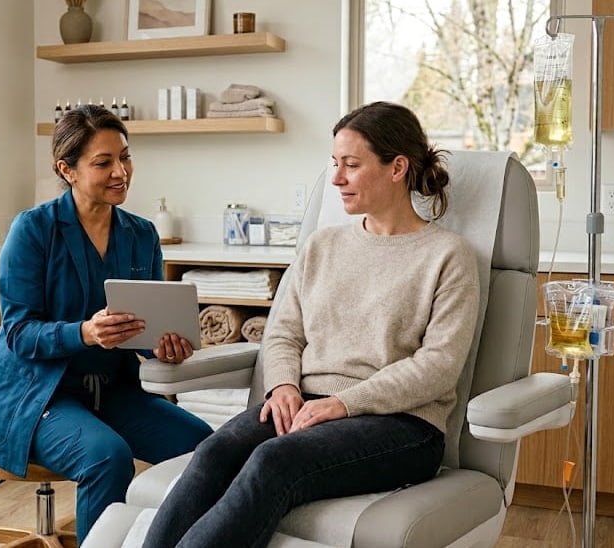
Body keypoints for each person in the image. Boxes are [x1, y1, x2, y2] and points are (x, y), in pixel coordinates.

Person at [142, 101, 481, 548]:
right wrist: (283, 386)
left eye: (351, 165)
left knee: (273, 462)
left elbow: (438, 366)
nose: (336, 178)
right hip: (307, 404)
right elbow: (284, 332)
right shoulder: (323, 246)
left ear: (397, 168)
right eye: (334, 163)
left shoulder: (447, 255)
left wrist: (345, 403)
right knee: (215, 451)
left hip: (403, 425)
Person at [0, 104, 212, 544]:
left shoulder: (142, 234)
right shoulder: (33, 230)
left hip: (111, 391)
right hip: (37, 395)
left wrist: (163, 345)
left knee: (205, 447)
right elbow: (19, 333)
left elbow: (144, 330)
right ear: (67, 170)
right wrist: (84, 332)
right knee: (106, 456)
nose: (121, 172)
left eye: (125, 157)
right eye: (103, 162)